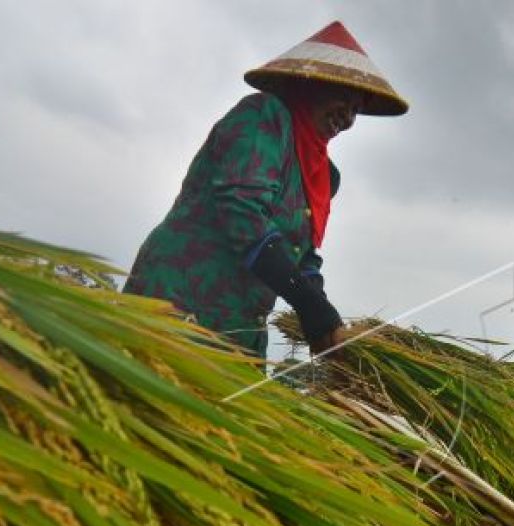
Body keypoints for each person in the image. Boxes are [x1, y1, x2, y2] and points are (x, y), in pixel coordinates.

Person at [123, 22, 408, 358]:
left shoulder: (324, 176)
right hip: (179, 302)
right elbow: (243, 214)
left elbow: (303, 256)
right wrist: (306, 302)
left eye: (356, 108)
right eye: (342, 98)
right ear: (307, 85)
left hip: (239, 325)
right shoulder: (262, 118)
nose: (347, 115)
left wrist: (322, 316)